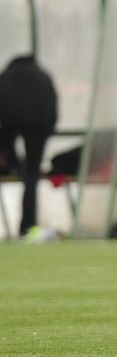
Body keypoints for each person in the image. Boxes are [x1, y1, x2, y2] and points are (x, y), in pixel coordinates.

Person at [0, 55, 58, 237]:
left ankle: (12, 166)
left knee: (14, 159)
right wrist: (47, 131)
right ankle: (27, 226)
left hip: (9, 123)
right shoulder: (42, 75)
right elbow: (52, 107)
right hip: (39, 127)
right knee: (31, 175)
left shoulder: (7, 76)